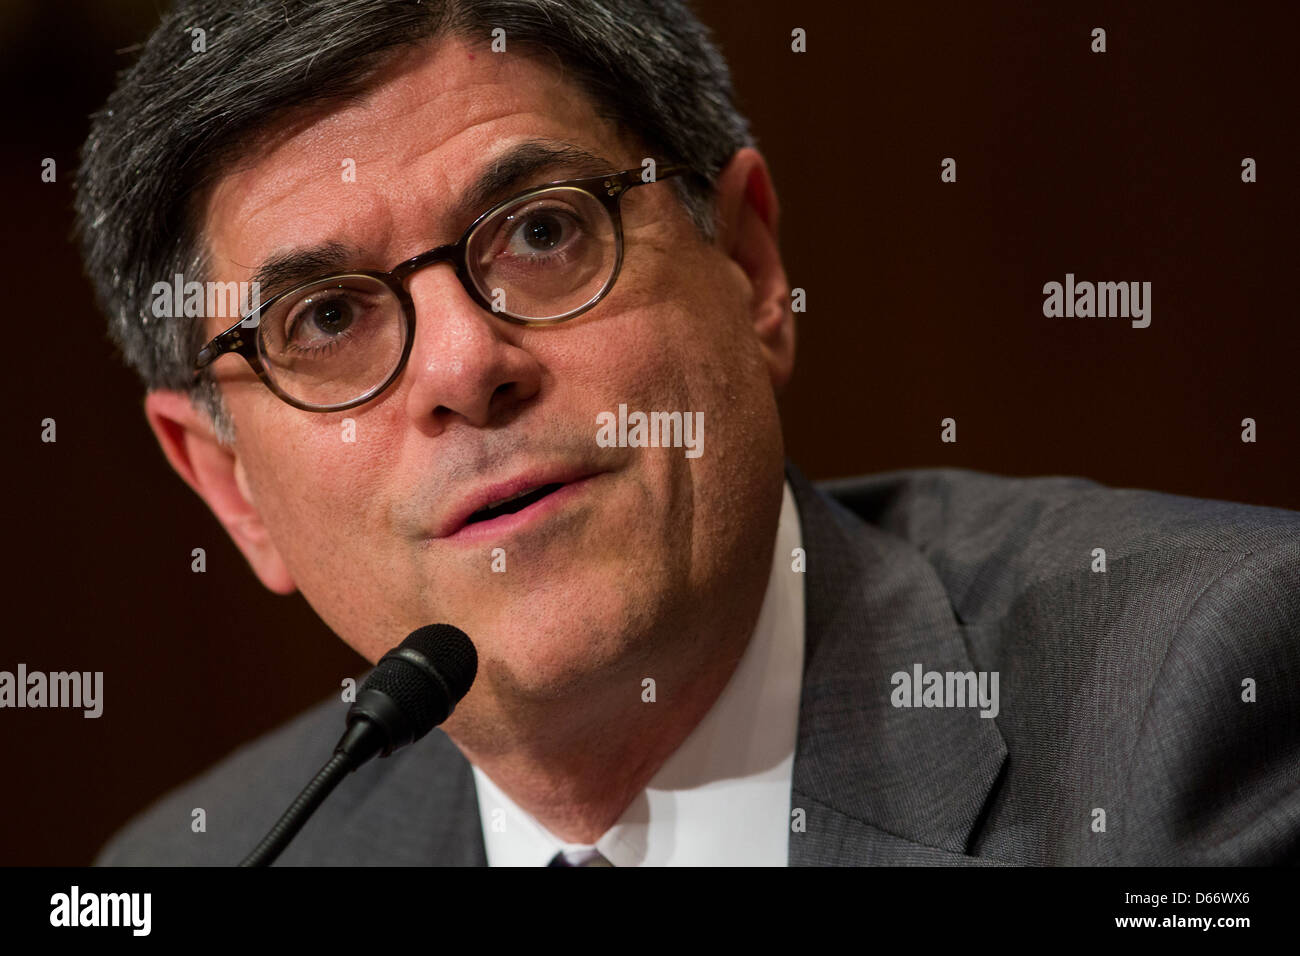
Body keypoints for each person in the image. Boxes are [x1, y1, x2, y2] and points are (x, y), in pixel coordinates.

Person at [78, 0, 1300, 866]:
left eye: (543, 232)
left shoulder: (1196, 704)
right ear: (231, 484)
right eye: (326, 316)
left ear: (753, 268)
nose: (463, 366)